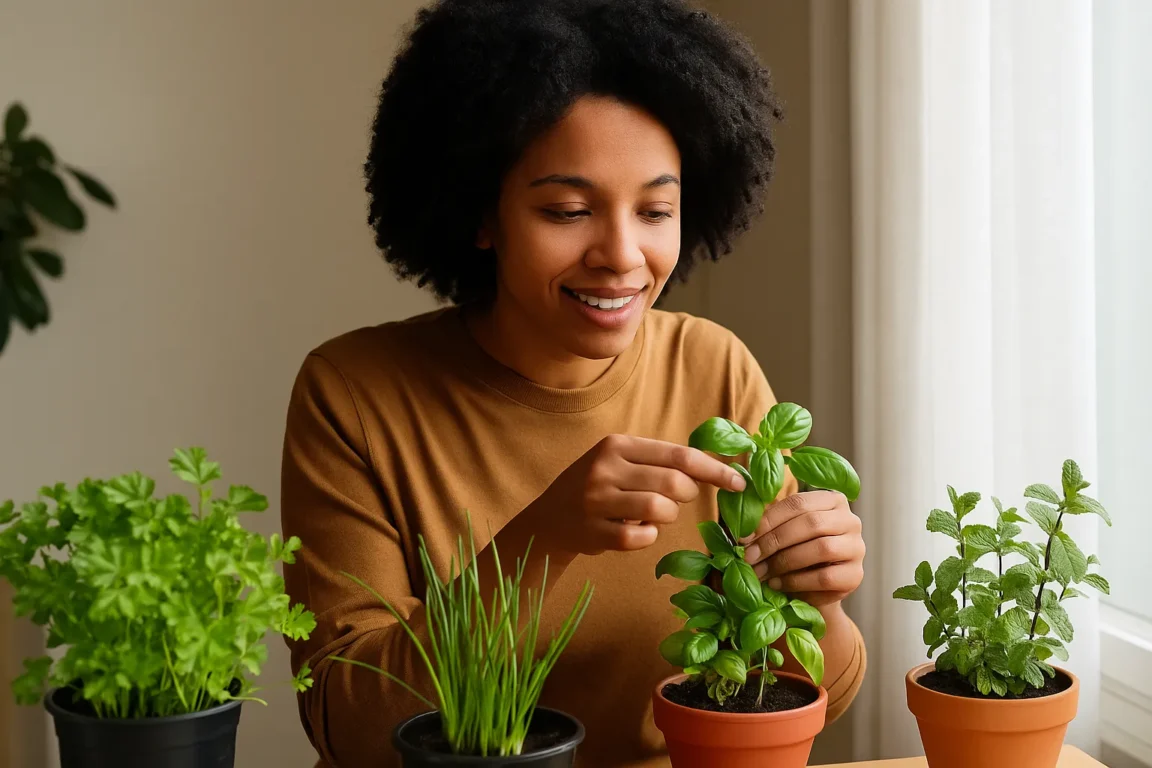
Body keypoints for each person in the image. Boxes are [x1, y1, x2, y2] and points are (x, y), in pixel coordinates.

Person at [280, 1, 866, 765]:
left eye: (655, 210)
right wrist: (543, 539)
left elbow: (811, 697)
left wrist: (821, 601)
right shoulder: (354, 394)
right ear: (481, 213)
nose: (622, 254)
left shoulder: (712, 365)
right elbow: (347, 724)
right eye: (568, 210)